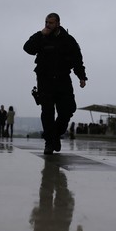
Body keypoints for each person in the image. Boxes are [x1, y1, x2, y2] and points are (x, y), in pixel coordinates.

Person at [23, 13, 87, 155]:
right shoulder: (41, 37)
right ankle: (49, 142)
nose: (47, 25)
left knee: (68, 110)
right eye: (46, 22)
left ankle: (55, 135)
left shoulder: (68, 40)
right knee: (47, 112)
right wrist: (40, 34)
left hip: (63, 79)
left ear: (58, 23)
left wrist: (81, 76)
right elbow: (27, 48)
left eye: (50, 23)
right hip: (45, 80)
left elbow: (77, 59)